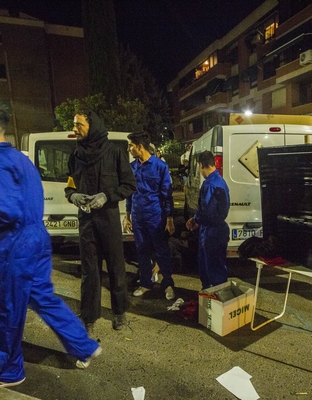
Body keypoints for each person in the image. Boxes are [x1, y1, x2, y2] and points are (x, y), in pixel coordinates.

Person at [0, 101, 101, 391]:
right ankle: (83, 345)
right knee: (42, 296)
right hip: (36, 236)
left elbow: (6, 210)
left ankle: (10, 372)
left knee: (7, 310)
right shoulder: (20, 158)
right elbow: (22, 204)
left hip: (15, 245)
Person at [64, 108, 136, 331]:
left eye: (79, 125)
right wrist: (74, 196)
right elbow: (69, 187)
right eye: (74, 125)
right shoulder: (75, 156)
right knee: (89, 272)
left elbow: (129, 185)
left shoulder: (114, 153)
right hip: (86, 224)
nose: (74, 129)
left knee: (116, 268)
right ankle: (89, 317)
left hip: (109, 221)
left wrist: (107, 196)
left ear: (92, 126)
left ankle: (119, 312)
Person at [124, 132, 176, 300]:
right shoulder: (132, 167)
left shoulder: (160, 166)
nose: (129, 149)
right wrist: (127, 215)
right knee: (142, 251)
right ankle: (146, 283)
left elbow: (167, 194)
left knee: (162, 251)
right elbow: (129, 193)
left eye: (131, 145)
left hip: (156, 216)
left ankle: (167, 284)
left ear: (140, 147)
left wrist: (169, 218)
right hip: (138, 216)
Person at [186, 151, 230, 289]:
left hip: (211, 232)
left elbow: (206, 210)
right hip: (218, 229)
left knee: (211, 269)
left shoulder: (209, 184)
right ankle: (214, 299)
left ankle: (213, 301)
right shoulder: (220, 181)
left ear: (201, 165)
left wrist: (195, 220)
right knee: (217, 267)